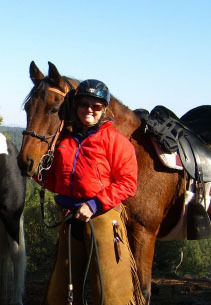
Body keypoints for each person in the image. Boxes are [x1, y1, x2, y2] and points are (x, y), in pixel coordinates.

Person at [36, 79, 145, 305]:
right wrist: (35, 169)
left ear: (104, 109)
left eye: (96, 106)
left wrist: (93, 205)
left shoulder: (116, 141)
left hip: (102, 217)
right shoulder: (64, 141)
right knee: (62, 290)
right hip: (68, 217)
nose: (89, 110)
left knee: (110, 290)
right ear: (76, 106)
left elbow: (127, 183)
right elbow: (55, 180)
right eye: (84, 104)